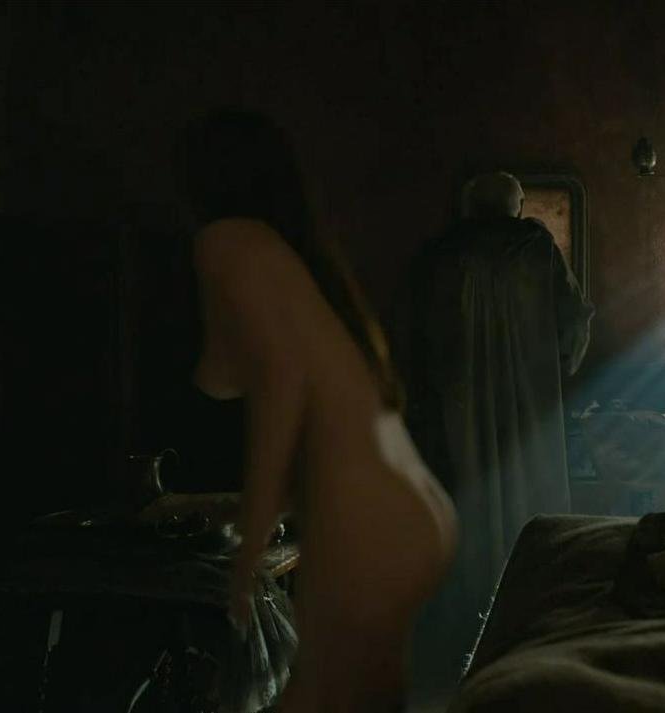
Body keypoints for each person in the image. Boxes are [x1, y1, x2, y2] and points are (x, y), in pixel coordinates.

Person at [179, 108, 457, 712]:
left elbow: (279, 385)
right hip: (412, 511)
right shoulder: (299, 263)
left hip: (362, 525)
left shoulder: (225, 241)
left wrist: (249, 547)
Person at [407, 172, 593, 663]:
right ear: (517, 206)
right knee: (531, 504)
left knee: (471, 505)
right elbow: (574, 326)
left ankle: (470, 641)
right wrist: (556, 369)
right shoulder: (537, 250)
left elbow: (419, 339)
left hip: (460, 408)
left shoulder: (445, 255)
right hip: (530, 404)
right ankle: (530, 627)